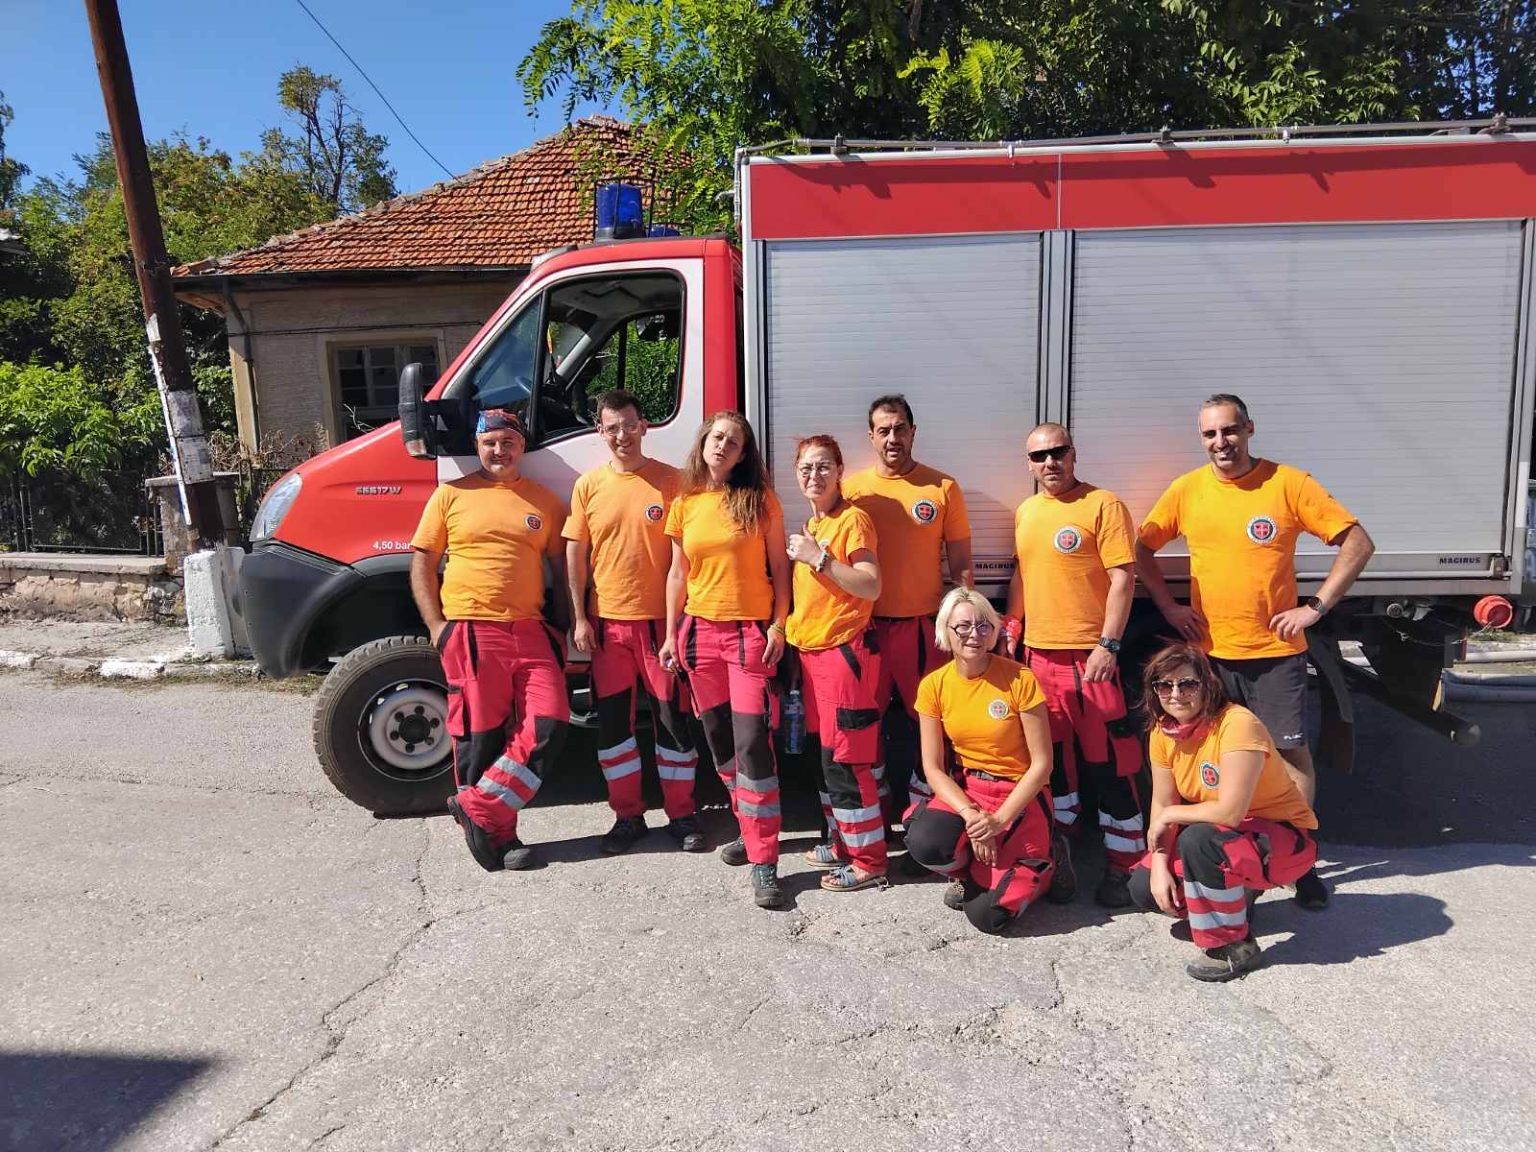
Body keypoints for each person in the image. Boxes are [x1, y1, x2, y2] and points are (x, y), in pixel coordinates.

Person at [1135, 393, 1373, 910]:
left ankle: (1300, 859)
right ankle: (1227, 853)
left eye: (1229, 430)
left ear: (1249, 429)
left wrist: (1315, 607)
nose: (1220, 442)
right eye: (1210, 434)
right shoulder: (1187, 490)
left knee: (1288, 755)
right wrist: (1169, 606)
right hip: (1210, 657)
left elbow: (1358, 542)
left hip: (1275, 653)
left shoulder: (1288, 483)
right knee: (1212, 757)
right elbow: (1142, 548)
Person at [410, 407, 570, 872]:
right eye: (489, 443)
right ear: (478, 447)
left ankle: (478, 805)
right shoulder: (451, 495)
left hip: (532, 629)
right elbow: (422, 562)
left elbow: (560, 570)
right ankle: (499, 835)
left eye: (508, 442)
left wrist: (564, 625)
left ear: (522, 445)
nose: (499, 450)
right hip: (472, 629)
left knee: (550, 721)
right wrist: (437, 626)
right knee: (479, 735)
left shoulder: (544, 501)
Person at [1004, 422, 1145, 908]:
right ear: (1028, 464)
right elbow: (1023, 573)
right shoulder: (1027, 512)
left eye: (1057, 452)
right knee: (1054, 766)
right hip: (1038, 659)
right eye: (1038, 456)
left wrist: (1109, 644)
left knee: (1112, 765)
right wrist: (1013, 623)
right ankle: (1059, 854)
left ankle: (1125, 866)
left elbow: (1123, 579)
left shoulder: (1103, 505)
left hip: (1091, 661)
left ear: (1073, 453)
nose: (1049, 462)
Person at [658, 412, 791, 909]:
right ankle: (748, 827)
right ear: (704, 442)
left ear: (742, 454)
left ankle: (764, 859)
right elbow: (678, 574)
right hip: (699, 638)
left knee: (752, 743)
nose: (723, 446)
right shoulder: (685, 503)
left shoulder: (760, 500)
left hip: (747, 636)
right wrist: (670, 635)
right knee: (720, 744)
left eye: (733, 442)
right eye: (717, 438)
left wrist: (778, 626)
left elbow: (780, 570)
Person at [564, 390, 703, 856]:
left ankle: (682, 815)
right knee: (613, 729)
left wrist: (678, 627)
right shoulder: (588, 486)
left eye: (629, 425)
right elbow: (576, 554)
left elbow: (688, 557)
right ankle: (627, 816)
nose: (622, 435)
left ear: (644, 426)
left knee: (672, 722)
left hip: (660, 627)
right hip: (607, 627)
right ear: (600, 432)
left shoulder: (673, 482)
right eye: (612, 428)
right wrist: (579, 618)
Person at [1130, 642, 1319, 981]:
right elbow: (1162, 802)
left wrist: (1170, 816)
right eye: (1165, 685)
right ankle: (1237, 892)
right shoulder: (1163, 730)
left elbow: (1230, 813)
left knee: (1198, 841)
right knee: (1145, 889)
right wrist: (1159, 865)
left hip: (1281, 838)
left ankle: (1233, 946)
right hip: (1235, 837)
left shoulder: (1236, 724)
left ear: (1208, 684)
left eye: (1188, 684)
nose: (1176, 694)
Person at [843, 395, 974, 817]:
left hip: (923, 629)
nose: (892, 438)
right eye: (883, 430)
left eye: (900, 428)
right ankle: (873, 812)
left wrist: (965, 622)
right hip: (866, 629)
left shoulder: (942, 488)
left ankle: (926, 813)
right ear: (871, 437)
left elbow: (961, 562)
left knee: (932, 724)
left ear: (913, 431)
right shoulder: (852, 491)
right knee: (865, 724)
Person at [905, 588, 1056, 934]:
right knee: (923, 839)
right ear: (946, 631)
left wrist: (999, 821)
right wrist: (972, 817)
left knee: (988, 917)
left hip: (1019, 797)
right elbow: (933, 768)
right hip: (971, 790)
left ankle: (1049, 866)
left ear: (993, 631)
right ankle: (972, 874)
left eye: (983, 625)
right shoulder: (933, 686)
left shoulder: (1020, 679)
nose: (974, 634)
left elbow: (1042, 765)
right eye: (963, 626)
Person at [784, 435, 887, 893]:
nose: (814, 475)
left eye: (824, 466)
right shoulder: (815, 523)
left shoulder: (852, 521)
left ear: (840, 471)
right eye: (806, 468)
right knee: (826, 759)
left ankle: (868, 861)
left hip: (843, 656)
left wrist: (819, 558)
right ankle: (843, 841)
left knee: (847, 761)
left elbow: (870, 585)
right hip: (813, 658)